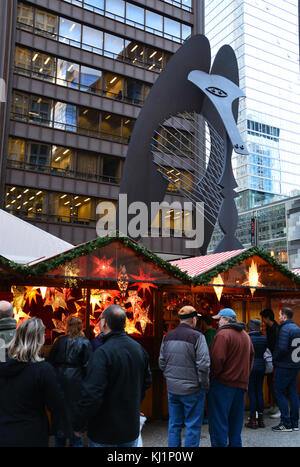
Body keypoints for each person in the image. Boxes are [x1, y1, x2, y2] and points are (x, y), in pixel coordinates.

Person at [73, 305, 152, 447]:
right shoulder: (139, 349)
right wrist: (134, 403)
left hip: (104, 432)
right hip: (129, 428)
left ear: (104, 323)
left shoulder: (102, 354)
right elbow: (147, 382)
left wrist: (79, 423)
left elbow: (92, 393)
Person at [0, 317, 66, 447]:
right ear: (40, 339)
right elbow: (56, 405)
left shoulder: (3, 364)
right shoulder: (43, 370)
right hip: (33, 434)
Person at [159, 305, 210, 447]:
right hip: (193, 389)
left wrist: (170, 378)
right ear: (194, 319)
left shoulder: (167, 336)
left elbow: (161, 362)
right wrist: (204, 385)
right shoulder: (198, 337)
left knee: (174, 425)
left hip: (173, 389)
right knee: (192, 426)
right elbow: (204, 364)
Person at [207, 308, 254, 447]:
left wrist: (212, 378)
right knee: (235, 425)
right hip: (240, 385)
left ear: (227, 319)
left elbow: (216, 360)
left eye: (219, 319)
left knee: (218, 424)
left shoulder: (222, 335)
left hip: (222, 385)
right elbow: (251, 359)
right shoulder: (245, 335)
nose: (217, 322)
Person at [48, 316, 92, 447]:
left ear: (67, 326)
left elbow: (50, 361)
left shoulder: (59, 341)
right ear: (80, 327)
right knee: (76, 424)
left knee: (59, 422)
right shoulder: (85, 342)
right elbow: (88, 366)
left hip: (59, 381)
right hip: (77, 384)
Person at [272, 307, 300, 432]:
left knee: (279, 392)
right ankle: (294, 423)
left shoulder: (284, 328)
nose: (278, 317)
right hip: (295, 365)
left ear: (284, 315)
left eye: (279, 315)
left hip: (284, 365)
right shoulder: (297, 328)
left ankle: (286, 423)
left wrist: (275, 359)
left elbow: (282, 348)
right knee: (293, 392)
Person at [245, 319, 268, 429]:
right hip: (261, 365)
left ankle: (253, 419)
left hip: (251, 366)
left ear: (250, 327)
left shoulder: (248, 338)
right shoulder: (264, 338)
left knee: (252, 392)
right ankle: (261, 419)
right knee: (259, 391)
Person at [260, 308, 279, 416]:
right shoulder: (270, 328)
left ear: (267, 318)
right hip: (270, 360)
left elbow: (274, 346)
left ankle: (278, 407)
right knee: (270, 383)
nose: (263, 321)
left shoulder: (276, 329)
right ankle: (274, 405)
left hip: (275, 361)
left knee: (275, 384)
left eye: (263, 318)